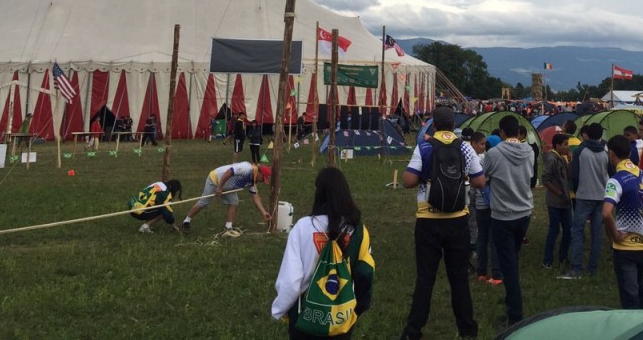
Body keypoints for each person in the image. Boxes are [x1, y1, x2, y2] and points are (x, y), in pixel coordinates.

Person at [400, 105, 485, 340]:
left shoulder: (425, 146)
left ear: (433, 125)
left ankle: (413, 331)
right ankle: (468, 330)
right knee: (458, 278)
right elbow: (480, 182)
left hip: (428, 219)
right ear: (454, 125)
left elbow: (408, 180)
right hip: (458, 220)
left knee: (425, 278)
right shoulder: (466, 147)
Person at [272, 167, 375, 338]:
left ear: (318, 193)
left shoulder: (302, 227)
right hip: (342, 318)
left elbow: (291, 280)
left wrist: (281, 309)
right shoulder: (358, 231)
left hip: (304, 319)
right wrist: (357, 310)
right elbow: (366, 273)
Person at [482, 114, 534, 328]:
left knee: (508, 266)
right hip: (525, 213)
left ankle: (515, 315)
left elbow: (482, 178)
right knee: (512, 258)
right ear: (518, 132)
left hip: (503, 215)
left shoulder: (494, 153)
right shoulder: (529, 150)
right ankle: (512, 297)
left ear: (502, 133)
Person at [603, 134, 643, 308]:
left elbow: (605, 213)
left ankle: (633, 329)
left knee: (629, 294)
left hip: (625, 248)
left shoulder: (616, 180)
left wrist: (615, 235)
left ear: (611, 153)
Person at [560, 121, 609, 279]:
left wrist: (577, 187)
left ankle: (576, 268)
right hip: (601, 196)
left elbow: (574, 174)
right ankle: (592, 268)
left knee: (577, 231)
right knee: (596, 233)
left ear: (586, 134)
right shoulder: (605, 152)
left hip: (584, 196)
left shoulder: (581, 151)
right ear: (600, 135)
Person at [181, 161, 272, 235]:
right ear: (259, 173)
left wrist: (263, 212)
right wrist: (219, 187)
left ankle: (228, 227)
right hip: (215, 179)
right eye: (263, 178)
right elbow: (229, 172)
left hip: (229, 186)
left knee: (234, 202)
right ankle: (186, 221)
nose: (263, 181)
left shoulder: (253, 180)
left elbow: (255, 196)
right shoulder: (246, 168)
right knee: (204, 202)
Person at [470, 131, 502, 284]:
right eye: (481, 144)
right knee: (493, 238)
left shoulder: (475, 159)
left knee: (482, 237)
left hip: (480, 203)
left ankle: (481, 272)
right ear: (473, 143)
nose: (483, 147)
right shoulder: (485, 159)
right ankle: (496, 273)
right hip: (490, 202)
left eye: (484, 144)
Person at [541, 133, 572, 269]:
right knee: (554, 230)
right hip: (555, 201)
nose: (567, 147)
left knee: (568, 230)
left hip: (565, 201)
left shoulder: (562, 158)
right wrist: (559, 193)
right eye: (565, 144)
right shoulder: (552, 159)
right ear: (557, 145)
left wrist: (569, 162)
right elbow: (545, 179)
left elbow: (568, 177)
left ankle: (563, 257)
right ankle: (547, 260)